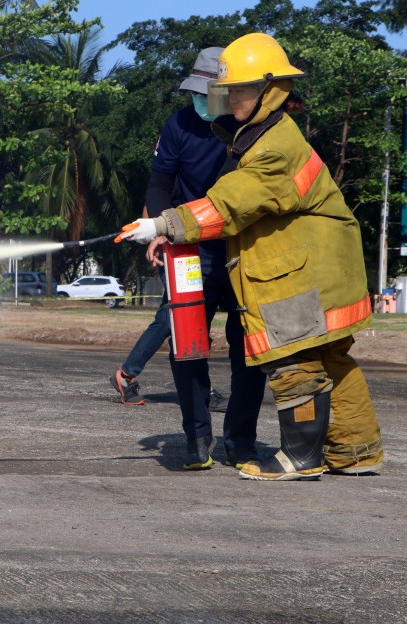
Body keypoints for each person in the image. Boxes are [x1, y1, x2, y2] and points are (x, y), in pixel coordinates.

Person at [116, 33, 384, 480]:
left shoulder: (271, 145)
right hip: (309, 264)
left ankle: (300, 457)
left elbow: (228, 204)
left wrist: (160, 225)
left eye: (237, 90)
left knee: (291, 358)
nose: (226, 99)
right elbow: (174, 181)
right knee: (329, 360)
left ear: (269, 89)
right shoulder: (253, 132)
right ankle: (354, 452)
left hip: (296, 269)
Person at [111, 47, 266, 470]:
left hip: (245, 247)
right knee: (186, 342)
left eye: (208, 94)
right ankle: (197, 437)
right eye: (196, 93)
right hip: (191, 245)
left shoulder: (254, 127)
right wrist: (160, 228)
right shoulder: (178, 124)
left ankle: (240, 438)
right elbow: (160, 182)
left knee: (247, 346)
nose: (201, 101)